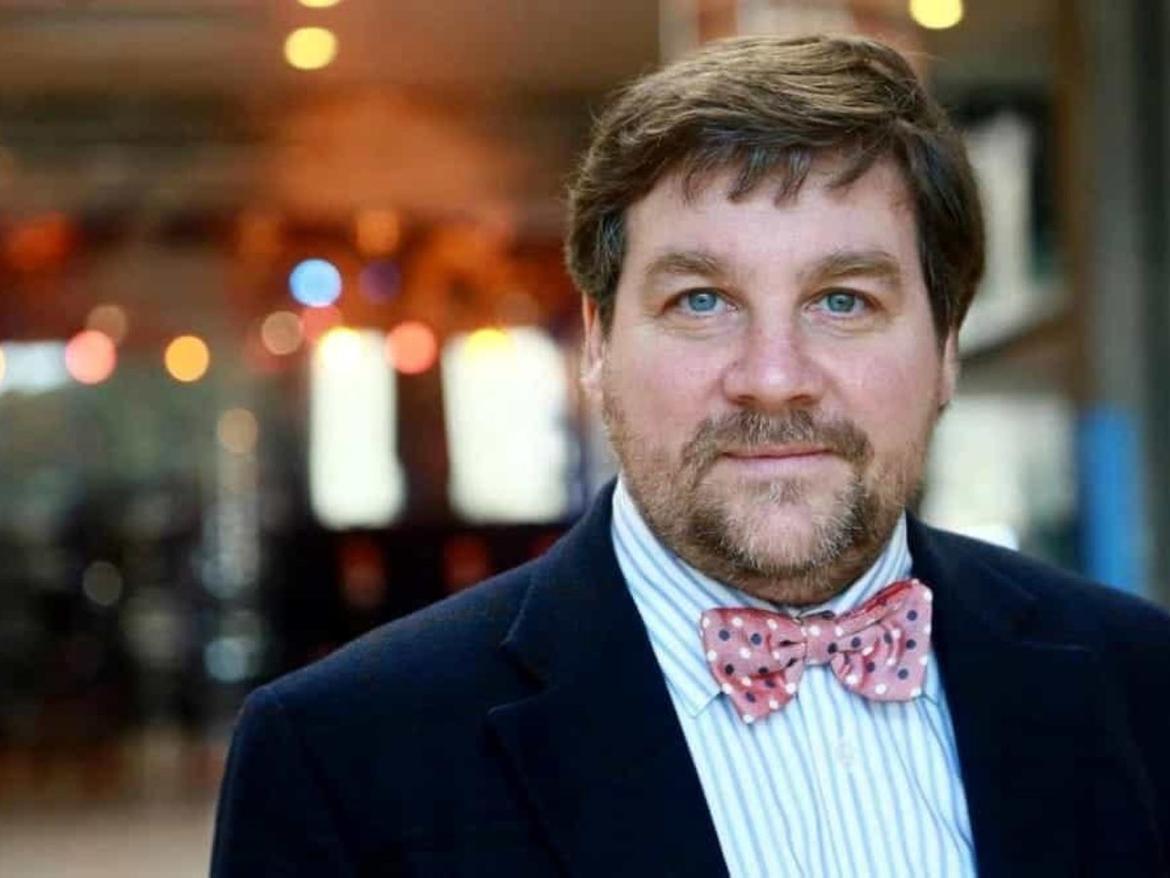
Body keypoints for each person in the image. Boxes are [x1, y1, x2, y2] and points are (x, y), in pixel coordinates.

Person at [211, 35, 1170, 876]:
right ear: (596, 345)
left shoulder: (1142, 684)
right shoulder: (341, 757)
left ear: (947, 348)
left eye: (843, 300)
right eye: (701, 301)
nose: (774, 379)